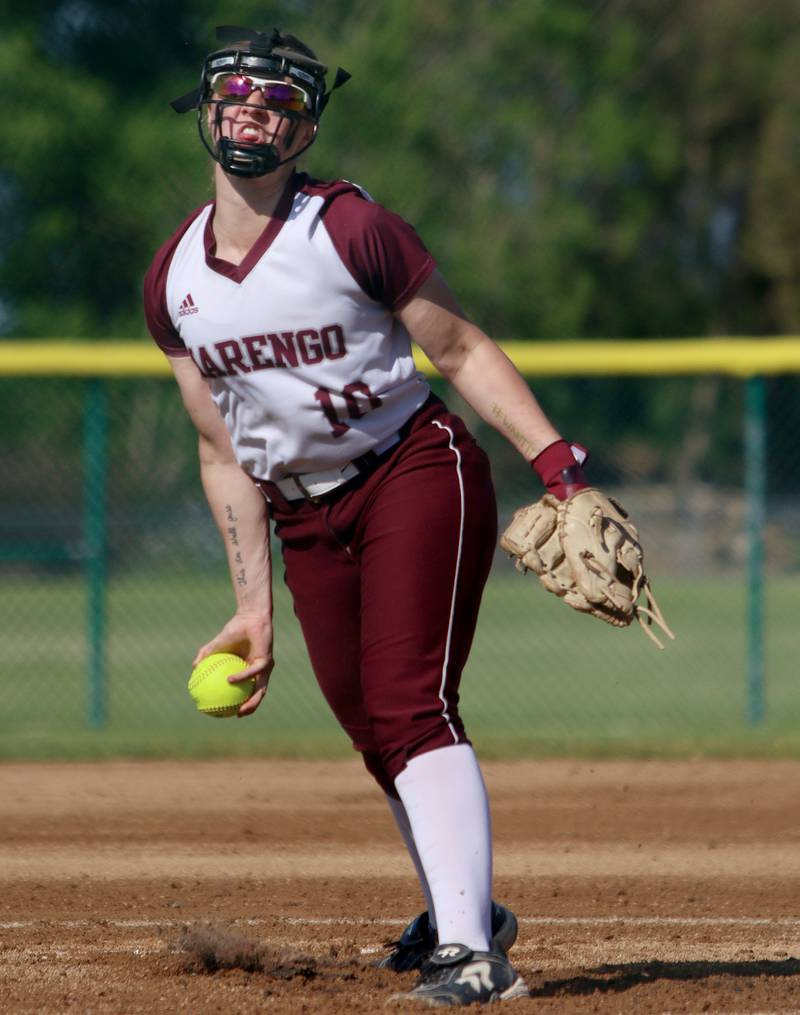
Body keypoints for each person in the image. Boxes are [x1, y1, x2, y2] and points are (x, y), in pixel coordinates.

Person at [145, 25, 591, 1007]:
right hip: (303, 517)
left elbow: (463, 350)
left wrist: (558, 468)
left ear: (305, 130)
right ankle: (459, 907)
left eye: (279, 100)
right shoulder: (172, 281)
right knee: (370, 726)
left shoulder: (347, 227)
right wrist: (252, 608)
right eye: (236, 93)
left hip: (411, 471)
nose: (253, 110)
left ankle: (471, 956)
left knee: (409, 705)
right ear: (205, 110)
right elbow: (222, 451)